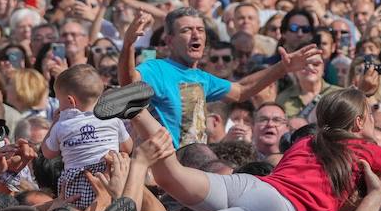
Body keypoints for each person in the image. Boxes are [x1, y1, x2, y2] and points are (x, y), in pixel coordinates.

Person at [108, 88, 381, 211]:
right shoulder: (362, 148)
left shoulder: (308, 141)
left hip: (253, 186)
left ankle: (139, 112)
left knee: (171, 176)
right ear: (360, 122)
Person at [117, 9, 319, 147]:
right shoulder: (157, 69)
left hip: (193, 170)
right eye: (186, 30)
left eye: (200, 30)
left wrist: (283, 67)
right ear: (169, 40)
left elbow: (240, 91)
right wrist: (128, 46)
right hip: (163, 173)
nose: (196, 35)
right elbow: (128, 85)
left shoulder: (202, 78)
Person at [41, 65, 133, 209]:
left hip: (77, 183)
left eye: (59, 101)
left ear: (71, 101)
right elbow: (127, 148)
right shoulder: (113, 120)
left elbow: (47, 152)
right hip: (110, 178)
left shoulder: (62, 126)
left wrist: (54, 123)